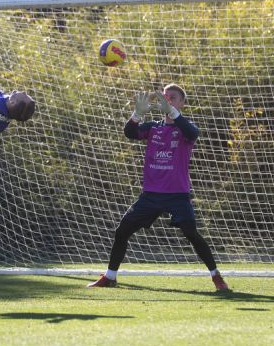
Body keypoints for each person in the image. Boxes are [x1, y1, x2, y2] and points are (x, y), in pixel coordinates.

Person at [87, 85, 230, 291]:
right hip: (151, 195)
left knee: (191, 233)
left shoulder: (186, 128)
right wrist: (137, 114)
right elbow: (129, 132)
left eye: (173, 98)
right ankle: (110, 277)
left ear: (182, 103)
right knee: (122, 231)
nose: (168, 100)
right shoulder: (153, 127)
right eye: (166, 97)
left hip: (177, 195)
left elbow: (192, 132)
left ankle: (216, 276)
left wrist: (172, 112)